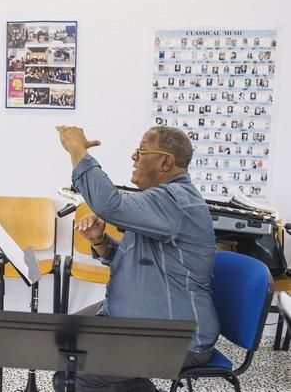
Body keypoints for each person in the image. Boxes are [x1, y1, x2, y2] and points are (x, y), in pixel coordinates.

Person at [56, 125, 219, 392]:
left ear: (165, 161)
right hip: (137, 323)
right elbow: (133, 261)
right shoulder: (156, 201)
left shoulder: (176, 201)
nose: (134, 157)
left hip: (177, 340)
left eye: (142, 152)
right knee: (63, 338)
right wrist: (100, 241)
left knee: (72, 375)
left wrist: (77, 148)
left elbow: (109, 204)